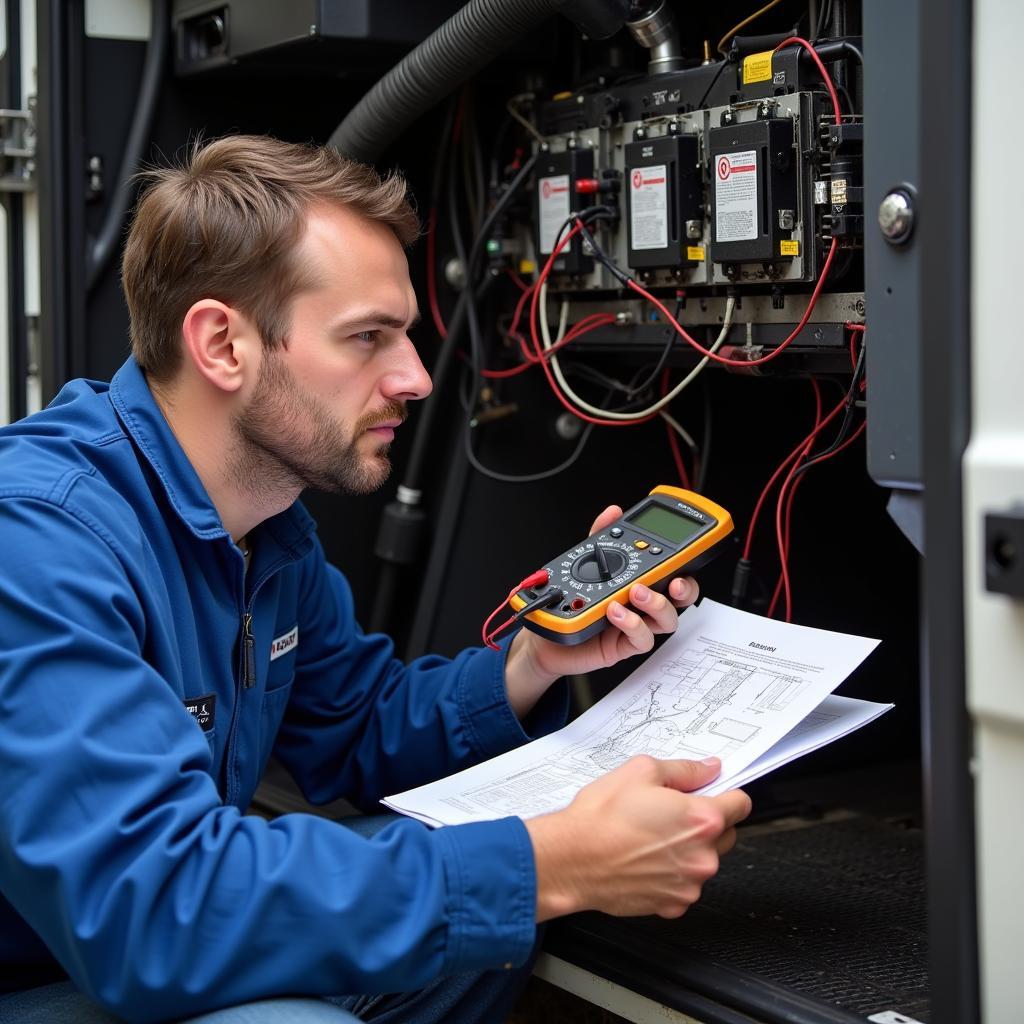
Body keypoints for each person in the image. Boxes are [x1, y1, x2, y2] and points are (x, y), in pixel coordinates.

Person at [0, 135, 751, 1024]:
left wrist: (536, 663)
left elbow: (356, 725)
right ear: (222, 345)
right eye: (368, 338)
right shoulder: (38, 539)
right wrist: (559, 861)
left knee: (481, 918)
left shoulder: (266, 527)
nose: (417, 377)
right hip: (50, 971)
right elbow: (152, 909)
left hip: (138, 942)